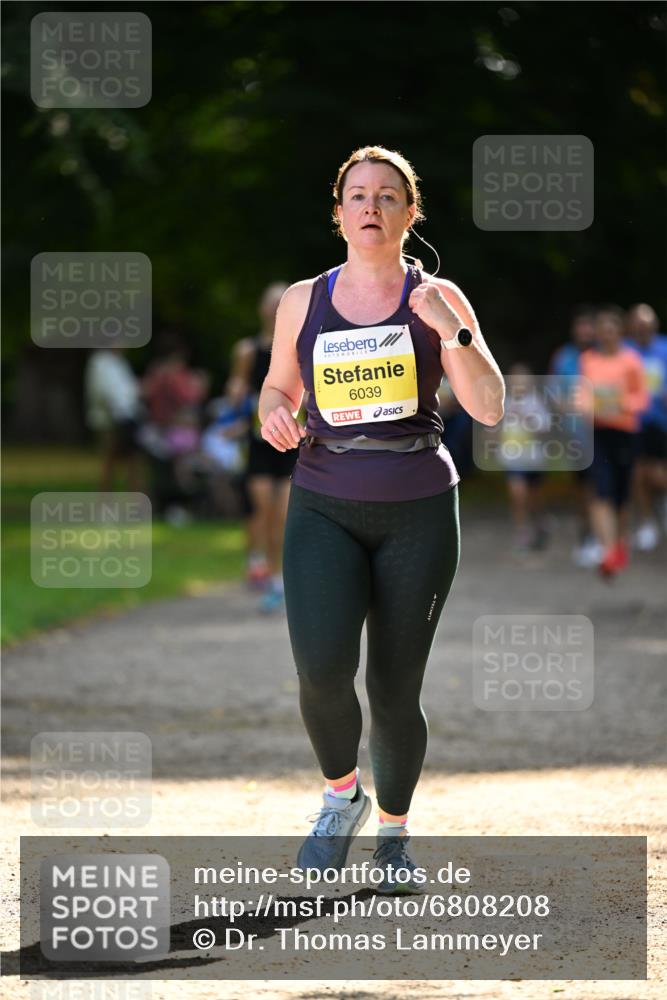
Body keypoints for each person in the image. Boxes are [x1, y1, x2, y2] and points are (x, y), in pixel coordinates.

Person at [257, 146, 504, 893]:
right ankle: (342, 797)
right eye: (357, 195)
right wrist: (274, 411)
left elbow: (489, 407)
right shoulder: (304, 299)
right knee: (321, 671)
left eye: (387, 196)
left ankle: (394, 837)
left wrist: (450, 330)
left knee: (395, 688)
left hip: (419, 510)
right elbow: (276, 388)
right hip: (324, 501)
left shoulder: (439, 296)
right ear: (337, 214)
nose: (371, 206)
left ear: (408, 213)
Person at [229, 283, 296, 612]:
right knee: (263, 512)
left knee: (283, 515)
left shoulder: (299, 347)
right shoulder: (247, 350)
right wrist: (237, 393)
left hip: (290, 442)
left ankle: (280, 580)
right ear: (261, 309)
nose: (274, 310)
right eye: (270, 304)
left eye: (280, 304)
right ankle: (266, 571)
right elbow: (237, 390)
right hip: (258, 443)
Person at [579, 306, 649, 578]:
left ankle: (619, 544)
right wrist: (588, 408)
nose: (607, 335)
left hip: (625, 433)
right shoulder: (588, 359)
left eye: (612, 330)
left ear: (620, 332)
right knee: (601, 489)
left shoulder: (631, 361)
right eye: (602, 330)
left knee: (621, 494)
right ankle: (606, 550)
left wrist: (620, 405)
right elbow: (583, 393)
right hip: (598, 433)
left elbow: (641, 397)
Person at [549, 306, 599, 566]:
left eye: (589, 326)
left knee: (603, 486)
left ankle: (604, 538)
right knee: (584, 488)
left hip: (603, 432)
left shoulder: (604, 356)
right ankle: (587, 536)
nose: (585, 331)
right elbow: (555, 396)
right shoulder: (564, 357)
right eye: (581, 326)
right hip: (575, 434)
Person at [626, 304, 667, 550]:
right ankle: (646, 522)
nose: (642, 327)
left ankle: (661, 506)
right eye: (637, 323)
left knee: (659, 472)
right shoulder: (626, 351)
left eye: (646, 322)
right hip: (632, 422)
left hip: (660, 421)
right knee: (637, 473)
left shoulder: (664, 348)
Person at [499, 364, 551, 553]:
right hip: (512, 458)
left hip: (533, 459)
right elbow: (494, 427)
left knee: (534, 497)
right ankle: (522, 531)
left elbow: (545, 429)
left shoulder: (536, 402)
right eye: (515, 380)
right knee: (518, 494)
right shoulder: (503, 402)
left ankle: (540, 522)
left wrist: (527, 417)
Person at [84, 345, 144, 492]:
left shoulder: (120, 362)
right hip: (108, 420)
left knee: (132, 459)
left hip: (126, 416)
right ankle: (106, 495)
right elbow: (103, 392)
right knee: (110, 459)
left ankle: (134, 494)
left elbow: (128, 389)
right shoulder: (100, 362)